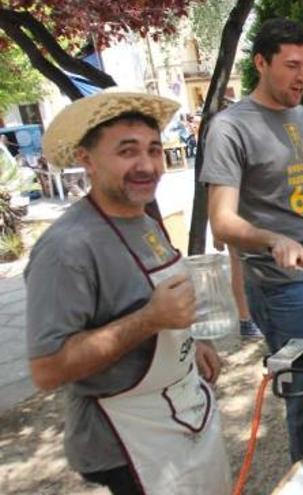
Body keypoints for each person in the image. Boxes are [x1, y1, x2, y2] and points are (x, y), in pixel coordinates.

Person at [26, 90, 231, 494]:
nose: (147, 165)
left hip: (177, 414)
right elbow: (47, 369)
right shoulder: (67, 247)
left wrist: (189, 343)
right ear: (87, 159)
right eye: (126, 151)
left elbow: (157, 306)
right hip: (125, 443)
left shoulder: (144, 220)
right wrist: (151, 320)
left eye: (154, 150)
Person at [200, 18, 303, 463]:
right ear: (261, 63)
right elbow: (221, 222)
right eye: (290, 65)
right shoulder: (230, 128)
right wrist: (270, 239)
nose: (301, 75)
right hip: (282, 287)